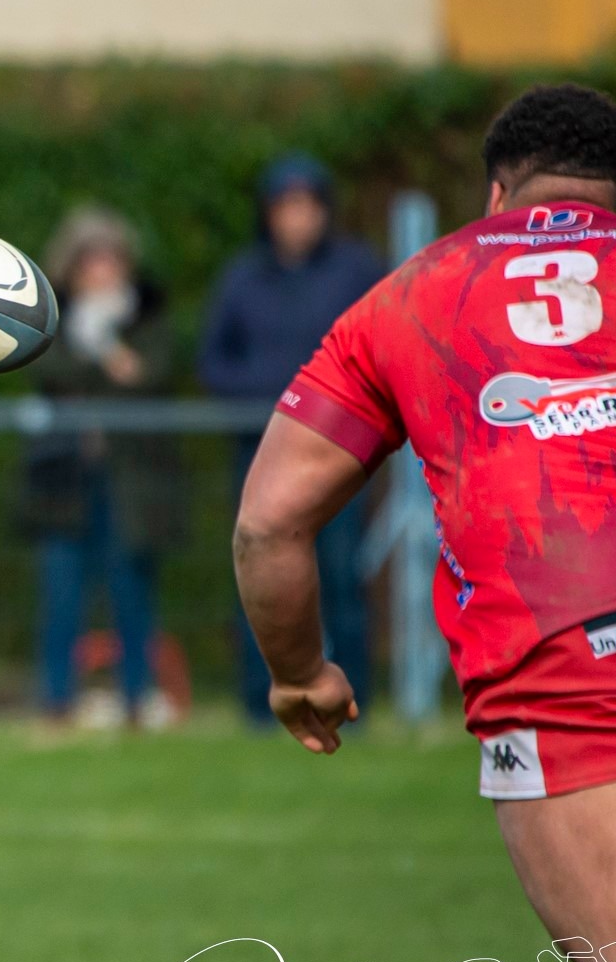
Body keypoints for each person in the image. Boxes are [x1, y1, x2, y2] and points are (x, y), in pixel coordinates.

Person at [234, 84, 616, 962]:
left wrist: (297, 672)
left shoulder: (413, 291)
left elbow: (269, 521)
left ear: (493, 194)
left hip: (570, 635)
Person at [199, 154, 383, 724]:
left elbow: (382, 350)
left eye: (305, 204)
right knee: (259, 568)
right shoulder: (242, 277)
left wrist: (319, 406)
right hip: (258, 451)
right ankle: (262, 700)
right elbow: (212, 364)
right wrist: (282, 400)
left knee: (341, 572)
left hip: (338, 454)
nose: (295, 218)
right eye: (284, 206)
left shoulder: (357, 271)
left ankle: (355, 700)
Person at [22, 206, 179, 726]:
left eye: (110, 259)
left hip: (131, 479)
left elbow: (153, 376)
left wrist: (97, 358)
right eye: (90, 260)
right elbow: (48, 370)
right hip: (64, 476)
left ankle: (138, 694)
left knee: (131, 588)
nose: (101, 270)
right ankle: (56, 698)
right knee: (61, 590)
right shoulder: (48, 318)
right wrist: (109, 364)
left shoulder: (149, 314)